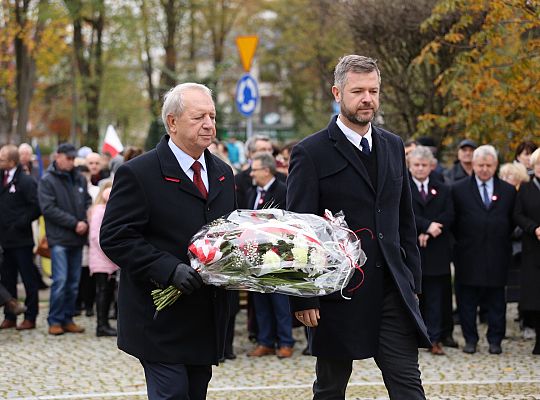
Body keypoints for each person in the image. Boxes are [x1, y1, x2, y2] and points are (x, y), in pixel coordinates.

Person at [287, 55, 430, 400]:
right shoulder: (310, 152)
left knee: (408, 385)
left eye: (373, 91)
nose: (367, 99)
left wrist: (412, 280)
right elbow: (299, 231)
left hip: (392, 291)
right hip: (339, 295)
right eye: (358, 91)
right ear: (337, 93)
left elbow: (404, 219)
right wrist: (304, 297)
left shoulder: (394, 146)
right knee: (330, 389)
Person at [100, 82, 236, 400]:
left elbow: (228, 233)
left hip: (206, 316)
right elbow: (115, 237)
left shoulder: (223, 173)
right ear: (172, 122)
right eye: (199, 116)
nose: (209, 124)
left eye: (212, 116)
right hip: (159, 318)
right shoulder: (139, 173)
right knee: (173, 394)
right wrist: (167, 268)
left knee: (195, 392)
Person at [451, 145, 516, 355]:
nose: (484, 169)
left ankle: (495, 340)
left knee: (497, 301)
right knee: (467, 302)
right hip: (468, 254)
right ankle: (471, 340)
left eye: (489, 165)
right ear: (473, 165)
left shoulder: (507, 190)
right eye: (480, 165)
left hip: (497, 254)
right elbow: (453, 221)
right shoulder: (458, 189)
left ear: (496, 165)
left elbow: (512, 220)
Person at [38, 143, 92, 335]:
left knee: (73, 282)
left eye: (73, 158)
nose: (71, 162)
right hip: (60, 238)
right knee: (60, 280)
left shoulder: (78, 178)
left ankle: (67, 318)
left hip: (77, 239)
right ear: (58, 157)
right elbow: (49, 209)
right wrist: (74, 223)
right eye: (68, 158)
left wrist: (85, 220)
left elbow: (87, 201)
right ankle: (55, 320)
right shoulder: (47, 180)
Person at [246, 152, 294, 358]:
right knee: (261, 301)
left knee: (280, 301)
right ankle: (265, 340)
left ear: (266, 170)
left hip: (277, 255)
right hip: (256, 255)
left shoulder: (283, 190)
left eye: (254, 169)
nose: (251, 174)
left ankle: (285, 341)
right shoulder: (252, 193)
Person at [408, 146, 454, 355]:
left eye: (423, 165)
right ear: (410, 166)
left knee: (436, 299)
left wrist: (432, 230)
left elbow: (450, 214)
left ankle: (434, 339)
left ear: (431, 166)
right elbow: (402, 214)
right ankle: (415, 337)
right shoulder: (403, 187)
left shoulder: (442, 187)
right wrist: (424, 227)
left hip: (436, 251)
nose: (419, 169)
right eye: (416, 165)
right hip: (412, 251)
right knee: (415, 298)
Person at [0, 144, 41, 330]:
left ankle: (30, 316)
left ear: (12, 161)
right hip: (4, 240)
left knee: (28, 279)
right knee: (7, 279)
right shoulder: (1, 178)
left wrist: (20, 223)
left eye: (2, 159)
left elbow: (36, 207)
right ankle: (10, 315)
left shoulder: (25, 181)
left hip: (22, 240)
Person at [513, 148, 540, 355]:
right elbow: (518, 215)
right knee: (535, 297)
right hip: (533, 248)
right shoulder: (526, 189)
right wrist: (534, 228)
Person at [88, 180, 118, 337]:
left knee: (107, 291)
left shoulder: (107, 209)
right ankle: (102, 324)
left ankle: (104, 323)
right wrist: (111, 252)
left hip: (109, 261)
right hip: (102, 260)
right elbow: (96, 236)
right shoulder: (99, 210)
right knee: (103, 292)